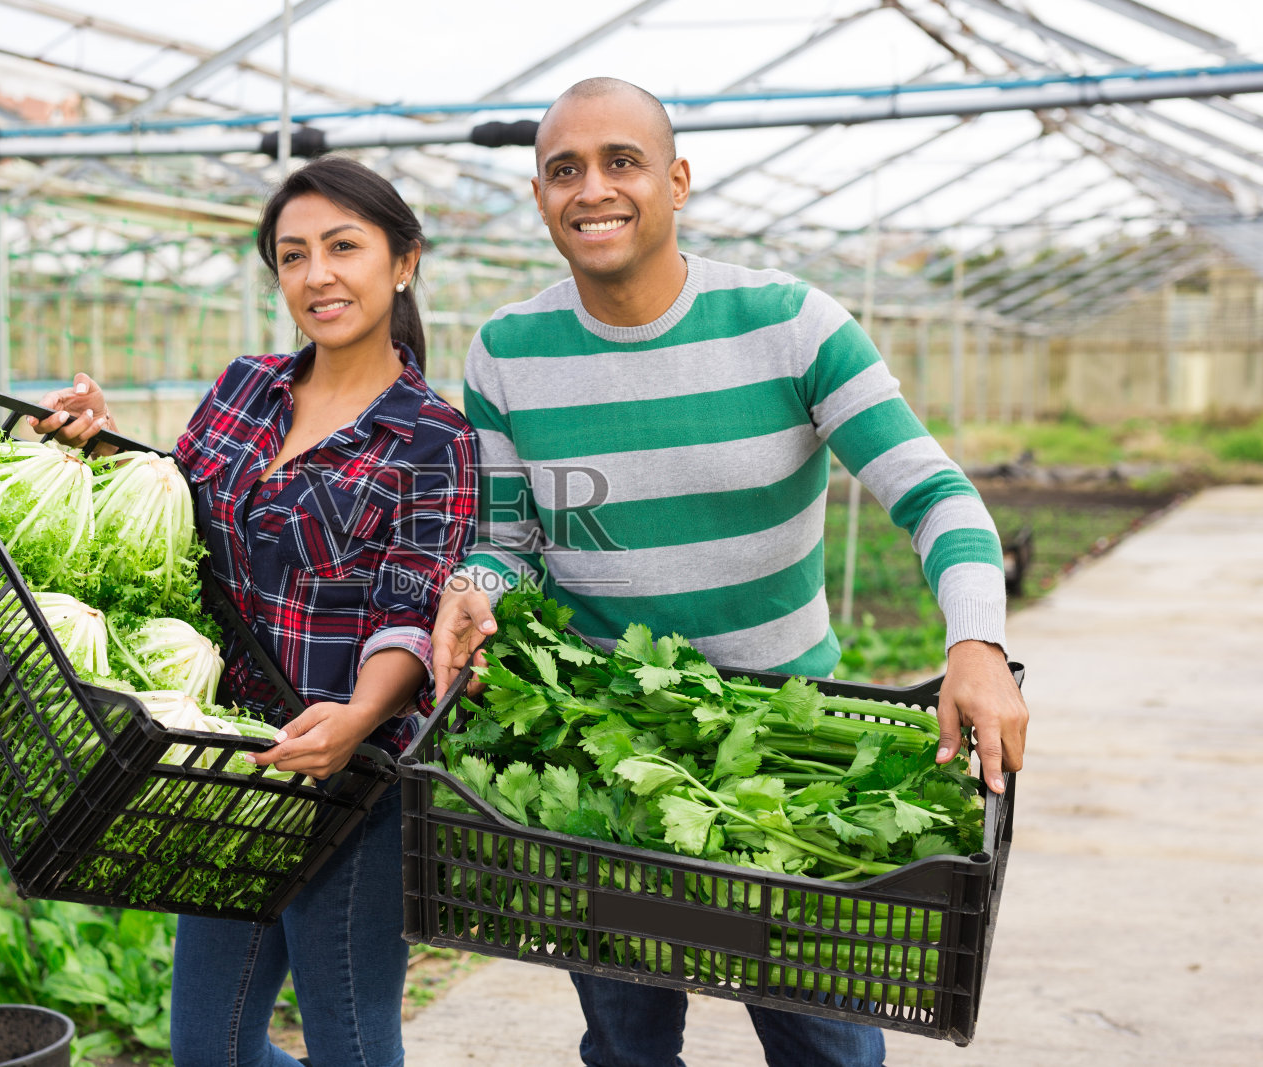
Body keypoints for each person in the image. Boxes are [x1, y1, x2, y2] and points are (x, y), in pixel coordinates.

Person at [430, 77, 1029, 1067]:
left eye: (621, 162)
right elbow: (509, 540)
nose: (592, 189)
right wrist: (475, 588)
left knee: (828, 1046)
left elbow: (934, 493)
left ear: (676, 181)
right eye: (564, 169)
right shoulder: (506, 351)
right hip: (606, 752)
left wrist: (977, 641)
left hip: (787, 740)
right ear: (539, 197)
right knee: (626, 1044)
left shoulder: (789, 324)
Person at [33, 155, 477, 1067]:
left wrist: (355, 717)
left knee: (351, 1046)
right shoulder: (245, 386)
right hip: (228, 762)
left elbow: (411, 604)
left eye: (343, 247)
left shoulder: (434, 437)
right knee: (210, 1047)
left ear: (403, 262)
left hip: (353, 782)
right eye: (293, 255)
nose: (317, 275)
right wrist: (99, 446)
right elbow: (178, 521)